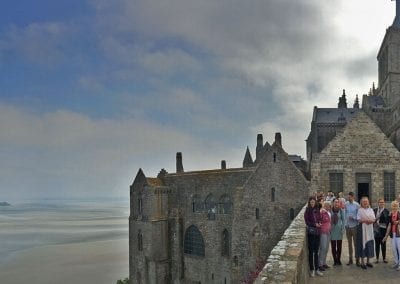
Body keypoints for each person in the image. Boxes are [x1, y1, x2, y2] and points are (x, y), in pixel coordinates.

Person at [304, 197, 323, 277]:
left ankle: (317, 269)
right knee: (311, 252)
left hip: (317, 233)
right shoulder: (307, 211)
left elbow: (320, 219)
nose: (312, 203)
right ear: (309, 202)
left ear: (315, 203)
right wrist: (314, 224)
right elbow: (307, 222)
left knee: (316, 251)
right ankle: (312, 269)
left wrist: (319, 223)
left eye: (313, 202)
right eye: (311, 202)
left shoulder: (317, 210)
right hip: (311, 233)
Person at [356, 197, 375, 269]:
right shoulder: (360, 210)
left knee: (369, 244)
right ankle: (362, 262)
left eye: (366, 201)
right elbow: (358, 219)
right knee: (362, 244)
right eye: (363, 202)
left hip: (369, 230)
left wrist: (370, 221)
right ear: (361, 203)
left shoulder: (371, 210)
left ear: (368, 202)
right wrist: (366, 220)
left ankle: (368, 261)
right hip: (362, 230)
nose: (365, 203)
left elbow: (373, 218)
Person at [383, 201, 400, 270]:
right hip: (393, 234)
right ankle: (396, 262)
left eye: (396, 206)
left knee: (399, 248)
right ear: (391, 207)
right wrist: (386, 236)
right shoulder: (390, 214)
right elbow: (389, 225)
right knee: (394, 249)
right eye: (393, 206)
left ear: (398, 206)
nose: (394, 207)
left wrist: (398, 222)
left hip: (399, 234)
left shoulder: (399, 213)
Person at [345, 192, 360, 265]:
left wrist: (354, 218)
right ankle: (350, 259)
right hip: (347, 226)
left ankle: (357, 259)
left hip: (354, 226)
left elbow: (359, 216)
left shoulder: (357, 205)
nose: (349, 198)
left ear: (353, 197)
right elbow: (344, 213)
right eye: (348, 197)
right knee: (349, 244)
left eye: (350, 197)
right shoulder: (346, 204)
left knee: (356, 244)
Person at [373, 198, 390, 263]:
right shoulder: (374, 210)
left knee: (383, 244)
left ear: (384, 203)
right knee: (377, 245)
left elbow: (388, 222)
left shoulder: (386, 211)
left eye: (382, 202)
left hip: (383, 230)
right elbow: (372, 219)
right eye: (380, 202)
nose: (381, 203)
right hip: (376, 230)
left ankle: (384, 258)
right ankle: (377, 258)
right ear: (378, 203)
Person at [331, 198, 345, 265]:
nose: (336, 203)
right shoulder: (330, 211)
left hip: (339, 230)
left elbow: (344, 220)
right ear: (333, 203)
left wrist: (343, 229)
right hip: (332, 230)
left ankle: (338, 260)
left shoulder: (341, 211)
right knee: (333, 246)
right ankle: (334, 260)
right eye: (335, 202)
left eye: (337, 202)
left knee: (339, 246)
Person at [318, 201, 331, 271]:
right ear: (325, 205)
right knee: (323, 248)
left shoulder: (329, 212)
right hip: (323, 232)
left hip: (328, 232)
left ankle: (324, 263)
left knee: (326, 248)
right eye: (328, 205)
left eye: (329, 205)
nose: (329, 207)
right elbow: (319, 220)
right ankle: (320, 264)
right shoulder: (322, 212)